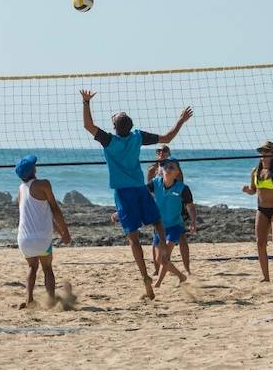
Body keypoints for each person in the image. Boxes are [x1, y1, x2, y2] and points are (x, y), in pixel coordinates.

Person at [80, 89, 193, 299]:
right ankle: (165, 253)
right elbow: (168, 137)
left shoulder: (109, 140)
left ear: (114, 127)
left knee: (133, 240)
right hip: (140, 189)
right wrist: (181, 121)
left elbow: (88, 125)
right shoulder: (137, 137)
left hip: (123, 194)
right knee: (158, 222)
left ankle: (146, 279)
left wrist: (86, 102)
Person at [14, 155, 72, 309]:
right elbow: (54, 209)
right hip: (41, 239)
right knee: (47, 269)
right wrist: (64, 232)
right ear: (33, 170)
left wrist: (60, 231)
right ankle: (51, 301)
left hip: (24, 239)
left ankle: (29, 300)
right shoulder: (43, 184)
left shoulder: (20, 190)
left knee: (32, 267)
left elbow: (40, 216)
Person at [241, 140, 273, 283]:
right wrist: (247, 191)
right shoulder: (255, 171)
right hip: (262, 210)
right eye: (262, 152)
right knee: (260, 243)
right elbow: (254, 190)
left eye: (267, 152)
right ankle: (265, 276)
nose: (263, 154)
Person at [148, 146, 197, 274]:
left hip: (177, 205)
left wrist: (192, 220)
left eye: (164, 150)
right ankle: (157, 269)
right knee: (156, 240)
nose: (160, 153)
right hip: (160, 208)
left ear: (169, 153)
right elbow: (148, 190)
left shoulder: (174, 167)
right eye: (158, 151)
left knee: (182, 240)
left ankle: (187, 269)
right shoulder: (153, 170)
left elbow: (179, 187)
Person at [146, 158, 190, 287]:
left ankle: (158, 283)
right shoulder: (155, 183)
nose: (168, 169)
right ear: (161, 170)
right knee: (159, 259)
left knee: (164, 257)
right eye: (165, 167)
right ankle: (181, 276)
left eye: (172, 167)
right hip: (159, 226)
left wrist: (193, 221)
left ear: (177, 172)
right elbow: (141, 194)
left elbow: (190, 206)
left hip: (175, 225)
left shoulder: (182, 188)